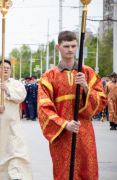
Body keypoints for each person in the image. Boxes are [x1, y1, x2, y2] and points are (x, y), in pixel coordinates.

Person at [37, 31, 107, 179]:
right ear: (58, 47)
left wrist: (86, 87)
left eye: (73, 46)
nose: (70, 49)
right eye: (66, 46)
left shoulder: (88, 73)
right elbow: (44, 108)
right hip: (62, 133)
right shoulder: (49, 76)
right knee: (64, 172)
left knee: (87, 170)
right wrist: (64, 124)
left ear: (77, 47)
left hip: (84, 132)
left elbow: (101, 102)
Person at [0, 60, 33, 180]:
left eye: (8, 68)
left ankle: (16, 176)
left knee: (16, 153)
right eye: (3, 68)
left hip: (13, 127)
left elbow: (22, 95)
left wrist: (7, 89)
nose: (6, 70)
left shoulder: (16, 84)